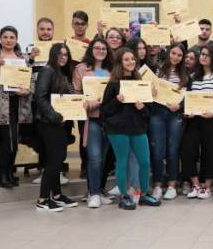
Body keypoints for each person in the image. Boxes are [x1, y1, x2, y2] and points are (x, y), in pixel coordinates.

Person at [100, 48, 161, 210]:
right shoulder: (113, 84)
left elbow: (149, 110)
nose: (131, 62)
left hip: (138, 129)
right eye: (126, 59)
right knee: (122, 161)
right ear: (120, 63)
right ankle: (124, 196)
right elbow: (104, 110)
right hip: (118, 130)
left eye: (133, 59)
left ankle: (143, 194)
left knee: (145, 162)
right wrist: (117, 101)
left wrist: (142, 107)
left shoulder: (140, 82)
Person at [0, 26, 34, 188]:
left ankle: (10, 172)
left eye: (12, 37)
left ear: (16, 39)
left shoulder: (23, 58)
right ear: (0, 39)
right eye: (5, 37)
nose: (8, 40)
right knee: (5, 140)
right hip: (2, 104)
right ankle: (2, 175)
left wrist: (27, 90)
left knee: (15, 140)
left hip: (19, 104)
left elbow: (31, 80)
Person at [32, 44, 79, 212]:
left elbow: (70, 96)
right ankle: (43, 200)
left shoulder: (63, 73)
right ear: (53, 55)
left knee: (58, 158)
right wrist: (54, 116)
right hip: (48, 123)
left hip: (60, 122)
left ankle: (57, 196)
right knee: (55, 160)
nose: (63, 57)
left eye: (66, 54)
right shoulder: (48, 70)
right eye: (60, 54)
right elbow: (40, 97)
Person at [71, 38, 114, 208]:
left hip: (109, 118)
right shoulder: (81, 68)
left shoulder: (112, 69)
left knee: (103, 157)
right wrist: (86, 102)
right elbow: (75, 92)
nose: (101, 50)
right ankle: (93, 194)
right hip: (92, 118)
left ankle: (98, 189)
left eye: (104, 48)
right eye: (97, 47)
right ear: (91, 49)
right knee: (94, 157)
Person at [182, 45, 213, 199]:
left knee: (210, 152)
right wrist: (188, 112)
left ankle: (206, 187)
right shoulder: (194, 76)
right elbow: (189, 98)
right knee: (188, 149)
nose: (203, 57)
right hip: (194, 120)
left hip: (212, 120)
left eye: (207, 55)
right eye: (202, 54)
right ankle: (195, 185)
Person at [148, 44, 189, 201]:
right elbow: (149, 89)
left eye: (179, 55)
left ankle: (172, 184)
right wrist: (151, 92)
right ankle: (157, 185)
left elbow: (189, 95)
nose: (176, 57)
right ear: (168, 53)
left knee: (173, 150)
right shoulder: (157, 70)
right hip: (157, 113)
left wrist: (180, 105)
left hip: (175, 115)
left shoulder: (185, 74)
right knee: (158, 150)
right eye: (173, 53)